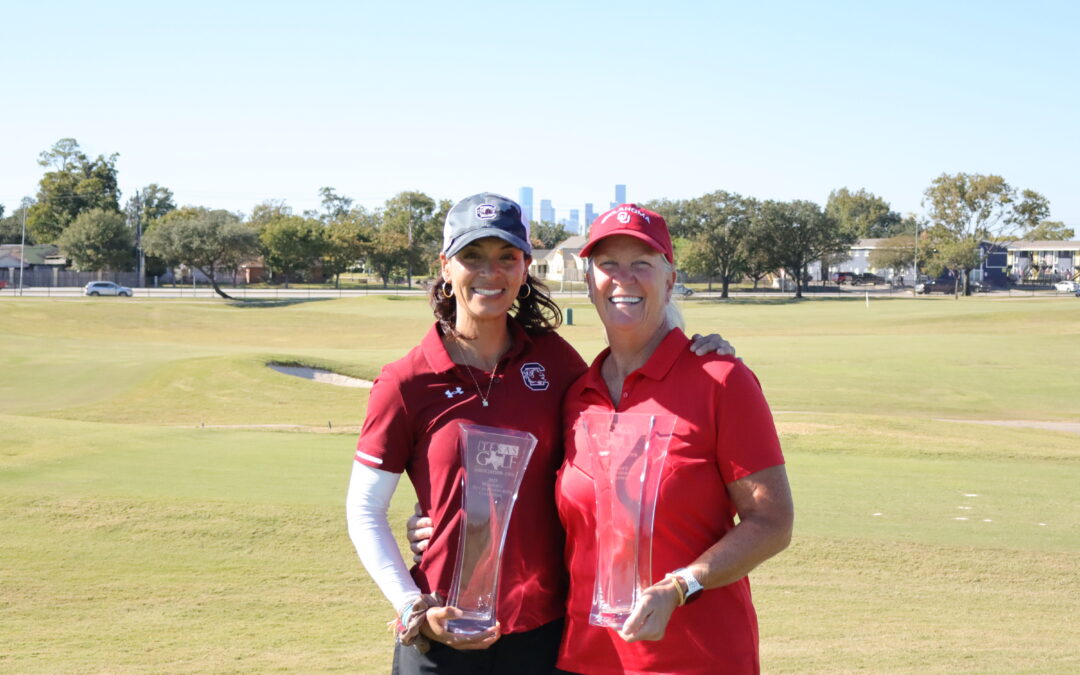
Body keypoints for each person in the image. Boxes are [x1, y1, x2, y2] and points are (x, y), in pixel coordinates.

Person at [346, 193, 733, 675]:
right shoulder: (406, 381)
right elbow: (364, 510)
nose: (491, 272)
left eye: (506, 257)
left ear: (524, 267)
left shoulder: (555, 362)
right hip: (441, 636)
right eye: (472, 257)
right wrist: (410, 605)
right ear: (446, 267)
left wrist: (697, 347)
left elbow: (625, 394)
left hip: (544, 637)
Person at [553, 204, 794, 674]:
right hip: (584, 658)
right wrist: (435, 525)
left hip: (695, 659)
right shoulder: (577, 396)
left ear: (669, 279)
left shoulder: (721, 380)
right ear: (588, 282)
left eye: (642, 263)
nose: (624, 278)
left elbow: (772, 522)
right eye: (608, 264)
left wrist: (681, 585)